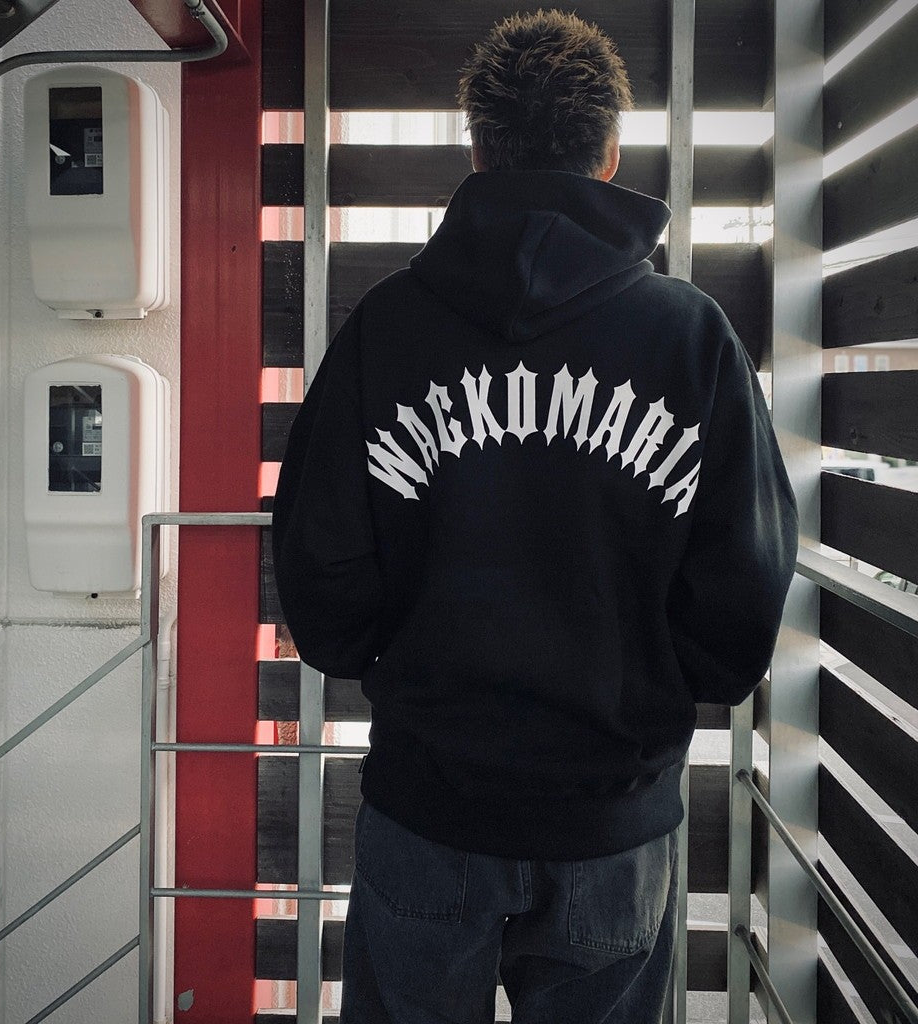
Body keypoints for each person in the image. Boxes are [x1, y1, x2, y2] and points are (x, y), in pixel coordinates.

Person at [272, 9, 798, 1023]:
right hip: (613, 820)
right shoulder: (691, 337)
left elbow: (321, 566)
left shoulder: (388, 329)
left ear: (477, 150)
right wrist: (654, 695)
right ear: (610, 154)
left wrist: (388, 662)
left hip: (428, 803)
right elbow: (744, 579)